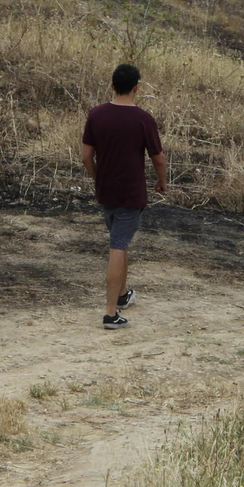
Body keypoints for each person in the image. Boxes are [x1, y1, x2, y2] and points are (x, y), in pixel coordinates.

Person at [81, 63, 166, 330]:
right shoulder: (143, 119)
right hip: (131, 193)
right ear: (136, 88)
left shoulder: (96, 115)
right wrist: (161, 181)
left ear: (112, 86)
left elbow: (85, 156)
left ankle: (122, 295)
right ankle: (110, 313)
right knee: (118, 245)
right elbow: (158, 158)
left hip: (106, 192)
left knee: (121, 240)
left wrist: (98, 178)